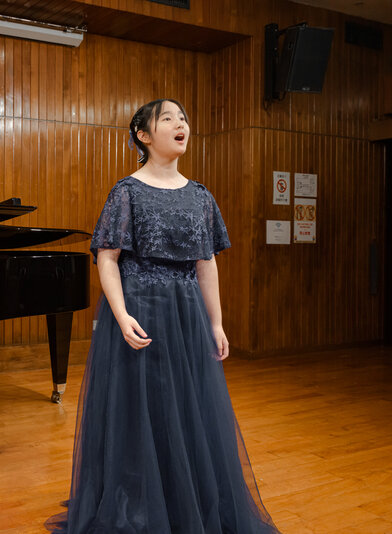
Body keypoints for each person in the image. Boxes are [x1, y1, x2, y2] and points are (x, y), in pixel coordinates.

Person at [47, 100, 279, 533]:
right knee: (143, 409)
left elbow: (206, 263)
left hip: (187, 313)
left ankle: (183, 499)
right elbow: (107, 258)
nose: (180, 124)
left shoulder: (201, 195)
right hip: (141, 311)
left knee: (189, 409)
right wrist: (121, 315)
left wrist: (216, 323)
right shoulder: (126, 191)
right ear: (144, 135)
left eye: (183, 118)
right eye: (168, 118)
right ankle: (137, 504)